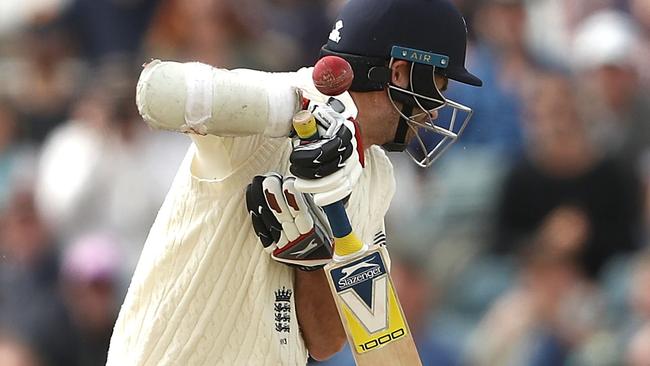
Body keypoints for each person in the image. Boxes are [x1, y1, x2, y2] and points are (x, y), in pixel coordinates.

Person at [106, 0, 482, 365]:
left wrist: (313, 260)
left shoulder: (378, 177)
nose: (435, 108)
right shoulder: (259, 121)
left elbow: (327, 341)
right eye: (439, 84)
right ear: (400, 72)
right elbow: (157, 91)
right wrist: (297, 111)